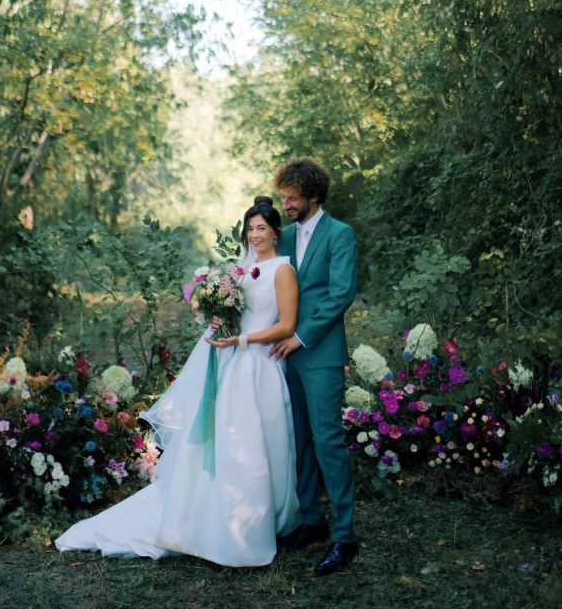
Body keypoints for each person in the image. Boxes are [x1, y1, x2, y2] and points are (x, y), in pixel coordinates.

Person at [55, 197, 300, 567]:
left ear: (276, 231)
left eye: (262, 228)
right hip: (234, 364)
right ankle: (216, 517)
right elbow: (236, 313)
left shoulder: (283, 270)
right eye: (250, 229)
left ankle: (257, 522)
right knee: (229, 442)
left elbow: (286, 325)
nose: (255, 235)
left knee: (260, 443)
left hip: (262, 365)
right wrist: (220, 320)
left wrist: (244, 339)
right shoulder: (238, 270)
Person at [269, 157, 359, 576]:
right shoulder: (282, 237)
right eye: (283, 196)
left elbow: (340, 295)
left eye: (292, 198)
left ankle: (344, 537)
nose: (285, 204)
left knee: (328, 442)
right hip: (282, 354)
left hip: (319, 354)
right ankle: (311, 520)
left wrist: (301, 337)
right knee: (297, 438)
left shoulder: (341, 235)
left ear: (313, 196)